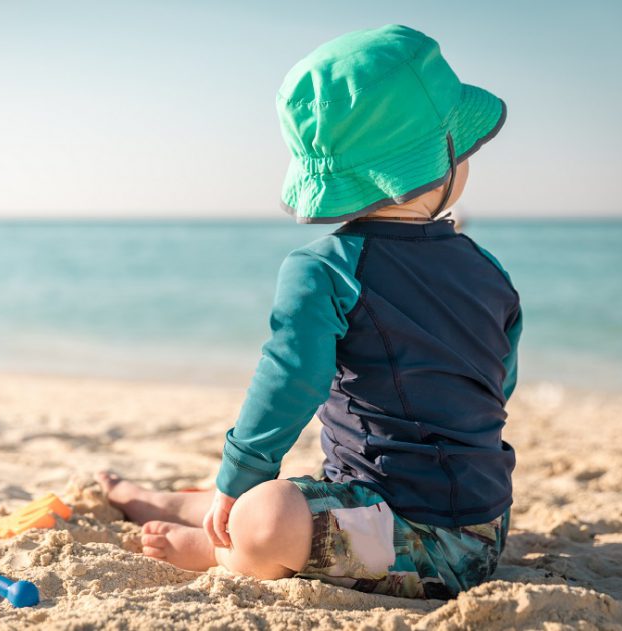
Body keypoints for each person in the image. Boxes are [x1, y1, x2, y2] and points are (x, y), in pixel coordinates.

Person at [98, 24, 521, 600]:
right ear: (445, 158)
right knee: (267, 499)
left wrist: (244, 473)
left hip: (406, 538)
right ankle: (179, 502)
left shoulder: (325, 267)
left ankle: (215, 542)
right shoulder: (489, 270)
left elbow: (289, 379)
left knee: (263, 512)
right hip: (487, 529)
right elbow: (498, 382)